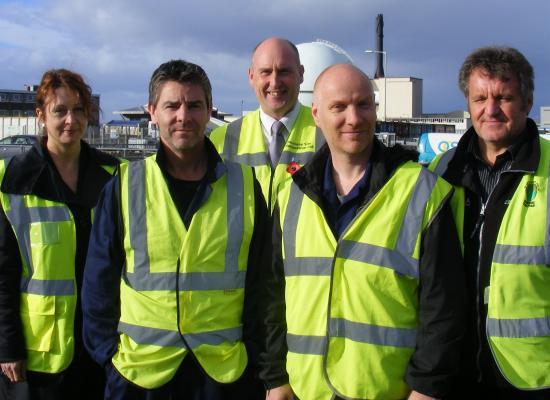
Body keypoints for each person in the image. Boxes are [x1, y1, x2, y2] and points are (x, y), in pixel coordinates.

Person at [259, 64, 467, 400]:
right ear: (316, 114)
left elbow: (443, 307)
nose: (353, 118)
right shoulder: (290, 196)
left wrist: (427, 387)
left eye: (363, 105)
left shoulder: (422, 191)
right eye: (339, 107)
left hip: (387, 391)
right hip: (304, 391)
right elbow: (271, 296)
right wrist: (275, 378)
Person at [82, 60, 267, 399]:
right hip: (138, 375)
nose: (184, 116)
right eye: (172, 105)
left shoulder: (245, 186)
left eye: (194, 105)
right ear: (152, 111)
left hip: (222, 375)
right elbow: (98, 282)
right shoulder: (124, 186)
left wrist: (254, 354)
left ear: (209, 110)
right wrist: (108, 356)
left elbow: (261, 282)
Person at [429, 46, 550, 399]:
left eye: (504, 97)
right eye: (480, 98)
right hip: (453, 371)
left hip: (531, 377)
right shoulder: (442, 172)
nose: (491, 109)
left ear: (527, 102)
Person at [0, 69, 120, 399]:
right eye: (60, 111)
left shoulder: (113, 174)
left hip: (102, 342)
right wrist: (7, 345)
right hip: (42, 350)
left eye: (79, 110)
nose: (71, 120)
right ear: (40, 115)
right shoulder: (12, 181)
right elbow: (3, 273)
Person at [209, 37, 324, 209]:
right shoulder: (221, 140)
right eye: (266, 72)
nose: (275, 82)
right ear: (251, 76)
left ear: (301, 74)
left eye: (284, 71)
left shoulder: (325, 132)